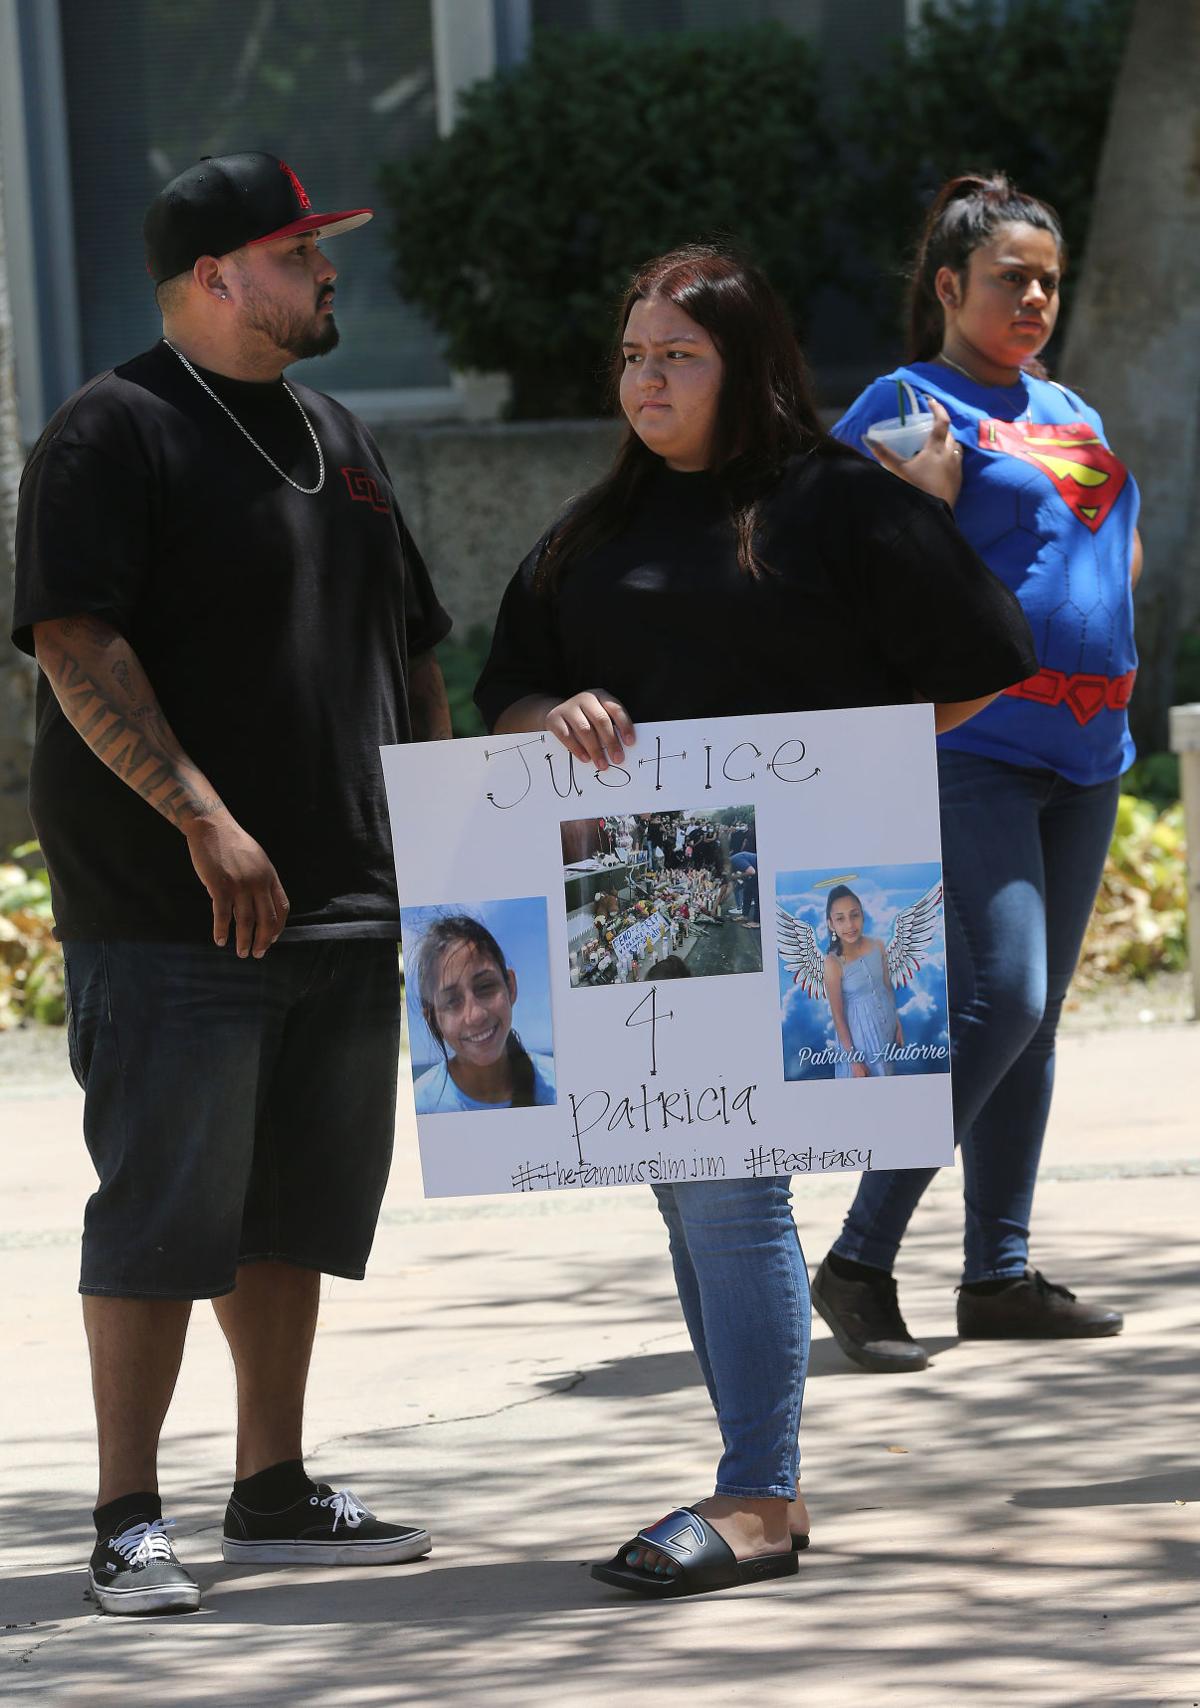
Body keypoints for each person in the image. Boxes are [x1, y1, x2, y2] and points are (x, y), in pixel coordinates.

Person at [474, 244, 1036, 1597]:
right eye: (632, 355)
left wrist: (848, 769)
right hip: (643, 893)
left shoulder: (839, 504)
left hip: (789, 886)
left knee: (731, 1194)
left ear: (747, 365)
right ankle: (752, 1481)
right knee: (687, 1191)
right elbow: (504, 698)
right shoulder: (590, 533)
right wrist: (558, 720)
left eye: (678, 355)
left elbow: (982, 660)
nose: (646, 378)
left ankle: (759, 1496)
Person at [10, 152, 452, 1615]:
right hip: (172, 907)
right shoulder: (109, 430)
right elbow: (75, 647)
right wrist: (202, 818)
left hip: (346, 898)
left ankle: (270, 1488)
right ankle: (126, 1516)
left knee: (295, 1214)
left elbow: (417, 650)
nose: (329, 272)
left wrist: (443, 835)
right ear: (217, 275)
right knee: (161, 1212)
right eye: (300, 250)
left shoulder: (338, 433)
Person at [814, 173, 1137, 1374]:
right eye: (1011, 277)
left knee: (1033, 1018)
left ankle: (997, 1274)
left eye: (1049, 277)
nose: (1036, 296)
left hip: (1089, 755)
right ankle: (858, 1256)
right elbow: (825, 556)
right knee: (997, 998)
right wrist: (927, 513)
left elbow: (1103, 539)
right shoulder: (906, 401)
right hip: (974, 748)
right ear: (949, 288)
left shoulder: (1072, 408)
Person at [410, 913, 556, 1112]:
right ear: (433, 1020)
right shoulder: (423, 1104)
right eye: (452, 1001)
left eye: (485, 987)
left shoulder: (559, 1084)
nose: (476, 1015)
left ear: (510, 987)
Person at [822, 886, 901, 1079]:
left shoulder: (878, 945)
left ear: (862, 916)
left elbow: (887, 987)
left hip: (886, 1028)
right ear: (831, 924)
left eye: (854, 915)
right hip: (859, 1039)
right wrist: (854, 1060)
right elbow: (838, 1017)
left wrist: (898, 1024)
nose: (850, 924)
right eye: (840, 918)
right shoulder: (833, 963)